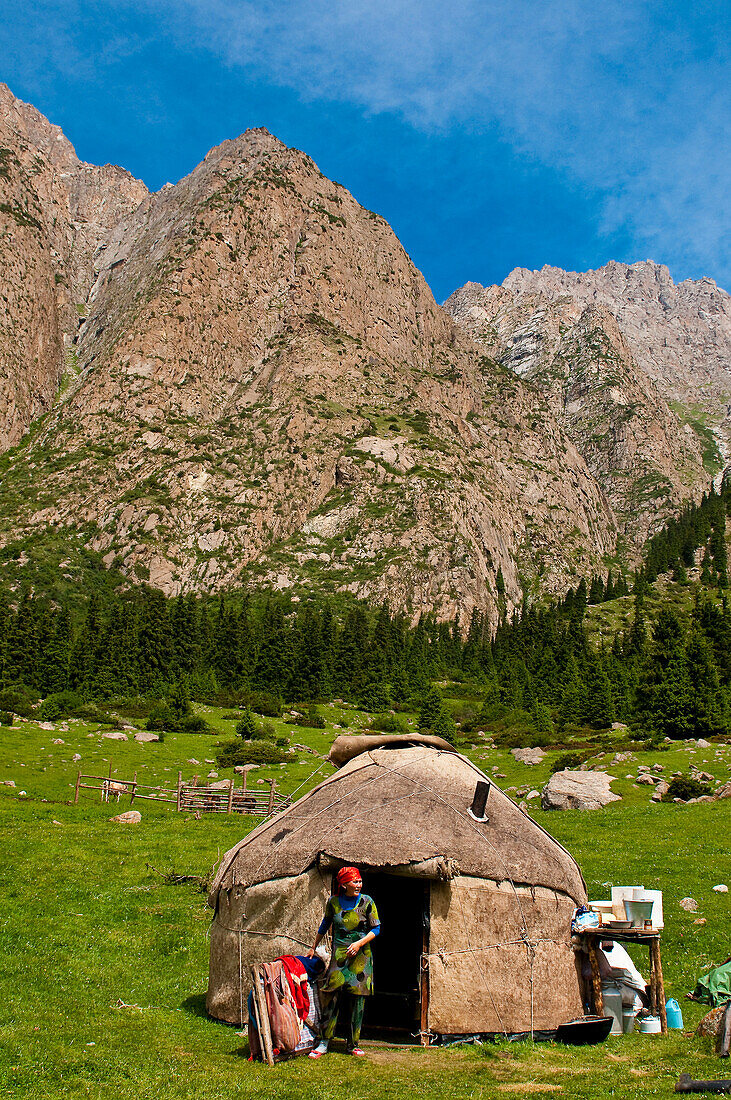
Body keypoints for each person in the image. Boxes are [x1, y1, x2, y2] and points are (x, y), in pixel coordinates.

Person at [307, 866, 380, 1058]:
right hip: (339, 957)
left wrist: (359, 943)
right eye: (354, 881)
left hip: (361, 956)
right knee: (331, 998)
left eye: (359, 881)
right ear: (343, 884)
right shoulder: (334, 902)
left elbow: (376, 929)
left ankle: (353, 1044)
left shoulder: (367, 902)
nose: (358, 885)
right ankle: (324, 1041)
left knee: (358, 1001)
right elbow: (325, 924)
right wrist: (313, 947)